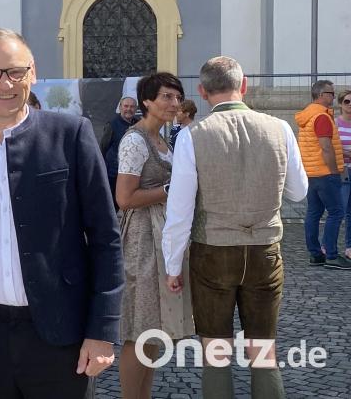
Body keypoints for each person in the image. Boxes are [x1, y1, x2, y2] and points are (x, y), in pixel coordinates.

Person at [0, 28, 124, 398]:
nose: (5, 84)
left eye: (15, 71)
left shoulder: (70, 134)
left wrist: (102, 330)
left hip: (60, 331)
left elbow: (105, 238)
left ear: (33, 73)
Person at [162, 56, 308, 398]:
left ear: (202, 91)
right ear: (244, 86)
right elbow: (299, 192)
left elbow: (180, 210)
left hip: (213, 250)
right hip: (264, 249)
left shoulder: (192, 136)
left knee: (216, 354)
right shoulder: (280, 128)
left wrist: (172, 264)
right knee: (264, 352)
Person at [114, 73, 193, 399]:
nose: (174, 103)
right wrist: (171, 189)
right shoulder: (135, 140)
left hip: (161, 234)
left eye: (177, 97)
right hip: (142, 240)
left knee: (152, 330)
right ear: (146, 101)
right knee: (139, 328)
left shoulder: (162, 139)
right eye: (166, 97)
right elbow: (124, 198)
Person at [295, 80, 351, 269]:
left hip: (311, 173)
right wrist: (335, 171)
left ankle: (315, 254)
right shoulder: (322, 117)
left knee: (314, 213)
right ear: (320, 95)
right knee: (336, 212)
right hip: (326, 173)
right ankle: (332, 256)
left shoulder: (307, 116)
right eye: (331, 93)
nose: (333, 97)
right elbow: (326, 147)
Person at [101, 96, 139, 211]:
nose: (129, 109)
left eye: (132, 107)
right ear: (120, 107)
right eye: (126, 106)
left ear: (136, 108)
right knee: (112, 205)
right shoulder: (112, 125)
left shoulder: (139, 123)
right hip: (114, 173)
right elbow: (103, 147)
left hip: (133, 172)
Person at [337, 89, 351, 260]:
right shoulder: (335, 124)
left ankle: (349, 246)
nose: (350, 105)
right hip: (342, 171)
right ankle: (328, 246)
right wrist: (347, 153)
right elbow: (333, 146)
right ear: (340, 104)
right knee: (339, 210)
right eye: (347, 101)